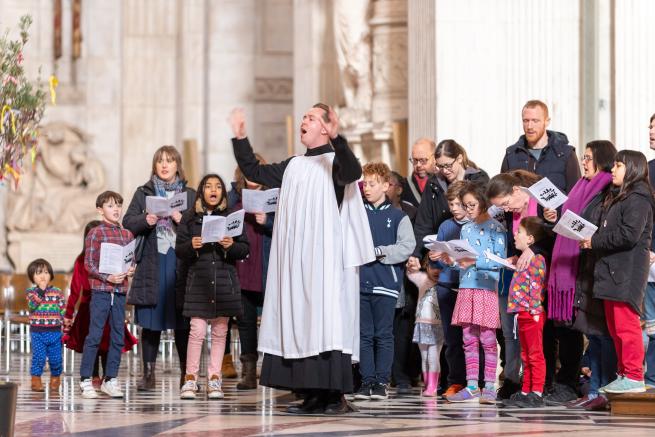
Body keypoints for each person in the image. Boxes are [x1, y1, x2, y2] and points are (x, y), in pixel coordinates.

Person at [230, 104, 374, 415]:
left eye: (311, 117)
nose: (303, 121)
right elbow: (254, 172)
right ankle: (311, 395)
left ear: (325, 128)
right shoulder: (293, 165)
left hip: (327, 262)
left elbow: (353, 172)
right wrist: (240, 138)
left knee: (326, 323)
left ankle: (334, 396)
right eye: (304, 117)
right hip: (297, 261)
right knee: (302, 321)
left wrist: (340, 139)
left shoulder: (335, 162)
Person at [541, 140, 617, 409]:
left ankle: (603, 389)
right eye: (583, 157)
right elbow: (572, 217)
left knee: (600, 332)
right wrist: (555, 218)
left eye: (588, 157)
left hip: (595, 267)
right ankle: (595, 390)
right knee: (592, 332)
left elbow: (603, 224)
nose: (583, 162)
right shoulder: (581, 186)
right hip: (579, 266)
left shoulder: (607, 188)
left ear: (602, 160)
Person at [580, 150, 655, 394]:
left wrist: (595, 241)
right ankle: (624, 373)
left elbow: (629, 235)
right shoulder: (619, 197)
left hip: (626, 272)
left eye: (619, 165)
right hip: (611, 270)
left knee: (626, 326)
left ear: (632, 169)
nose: (613, 170)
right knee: (615, 328)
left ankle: (633, 376)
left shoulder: (639, 198)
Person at [123, 146, 196, 391]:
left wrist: (181, 219)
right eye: (160, 161)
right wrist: (147, 219)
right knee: (151, 321)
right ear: (155, 166)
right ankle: (148, 374)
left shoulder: (190, 193)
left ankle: (187, 374)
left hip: (180, 262)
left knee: (182, 323)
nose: (164, 165)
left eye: (170, 161)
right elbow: (128, 222)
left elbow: (200, 226)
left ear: (178, 165)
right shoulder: (143, 192)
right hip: (153, 262)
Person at [176, 174, 250, 400]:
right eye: (208, 186)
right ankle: (190, 379)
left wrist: (230, 245)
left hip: (223, 282)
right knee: (196, 331)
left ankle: (214, 379)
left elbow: (244, 249)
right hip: (198, 281)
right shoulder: (190, 218)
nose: (213, 190)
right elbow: (179, 250)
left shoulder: (231, 218)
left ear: (222, 194)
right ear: (201, 192)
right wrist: (192, 245)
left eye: (218, 186)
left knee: (220, 332)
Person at [486, 169, 553, 399]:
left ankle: (539, 388)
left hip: (539, 292)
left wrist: (534, 250)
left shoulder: (541, 202)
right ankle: (523, 386)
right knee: (524, 348)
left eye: (505, 203)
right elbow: (519, 244)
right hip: (522, 290)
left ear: (516, 191)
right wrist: (516, 256)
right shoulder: (512, 212)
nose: (505, 210)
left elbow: (550, 238)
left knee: (537, 349)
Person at [439, 182, 506, 404]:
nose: (467, 209)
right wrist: (452, 260)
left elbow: (499, 262)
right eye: (465, 205)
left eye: (471, 205)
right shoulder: (465, 228)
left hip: (486, 289)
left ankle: (488, 386)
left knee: (487, 338)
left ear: (483, 202)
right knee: (468, 338)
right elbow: (463, 263)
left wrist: (476, 259)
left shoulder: (497, 228)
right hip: (466, 288)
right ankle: (471, 386)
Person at [354, 163, 415, 401]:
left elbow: (406, 247)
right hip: (360, 282)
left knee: (384, 334)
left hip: (386, 284)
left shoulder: (398, 216)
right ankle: (366, 380)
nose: (366, 188)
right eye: (364, 184)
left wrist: (378, 251)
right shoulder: (358, 214)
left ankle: (381, 381)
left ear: (386, 185)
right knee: (364, 335)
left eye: (372, 184)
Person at [63, 220, 137, 386]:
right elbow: (75, 288)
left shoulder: (112, 258)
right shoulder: (82, 260)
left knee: (109, 337)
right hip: (88, 305)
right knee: (93, 339)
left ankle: (107, 375)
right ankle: (93, 373)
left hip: (110, 299)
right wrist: (68, 313)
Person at [79, 191, 135, 399]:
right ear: (100, 210)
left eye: (119, 205)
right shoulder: (96, 233)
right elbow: (89, 264)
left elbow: (132, 259)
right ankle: (86, 379)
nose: (116, 209)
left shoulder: (127, 234)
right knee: (94, 335)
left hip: (120, 292)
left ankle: (110, 379)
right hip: (102, 291)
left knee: (118, 337)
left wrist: (131, 269)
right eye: (111, 205)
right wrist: (107, 277)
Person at [227, 158, 274, 390]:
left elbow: (288, 226)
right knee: (245, 322)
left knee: (273, 320)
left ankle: (276, 369)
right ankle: (248, 370)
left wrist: (268, 222)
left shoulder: (276, 197)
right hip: (242, 266)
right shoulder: (233, 197)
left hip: (267, 266)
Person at [409, 139, 489, 273]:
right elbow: (423, 224)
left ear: (459, 158)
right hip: (442, 259)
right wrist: (416, 254)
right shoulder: (433, 184)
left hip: (473, 255)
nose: (444, 171)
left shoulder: (479, 180)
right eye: (440, 166)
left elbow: (485, 216)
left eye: (448, 165)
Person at [428, 181, 469, 398]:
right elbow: (436, 260)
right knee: (452, 340)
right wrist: (434, 258)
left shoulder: (474, 226)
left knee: (471, 338)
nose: (453, 207)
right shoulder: (445, 226)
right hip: (446, 285)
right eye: (450, 203)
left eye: (457, 203)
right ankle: (455, 381)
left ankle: (477, 381)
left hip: (468, 286)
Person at [502, 217, 549, 408]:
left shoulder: (537, 259)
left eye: (519, 232)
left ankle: (536, 391)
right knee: (525, 354)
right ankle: (525, 390)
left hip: (532, 313)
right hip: (523, 313)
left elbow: (536, 286)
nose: (515, 234)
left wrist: (533, 308)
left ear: (530, 239)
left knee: (535, 353)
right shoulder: (523, 259)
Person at [501, 100, 580, 194]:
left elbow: (576, 196)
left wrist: (558, 209)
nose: (529, 126)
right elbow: (503, 193)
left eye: (535, 121)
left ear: (547, 122)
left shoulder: (566, 154)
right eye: (526, 121)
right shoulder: (512, 154)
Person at [386, 170, 420, 395]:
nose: (385, 188)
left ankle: (402, 374)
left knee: (403, 329)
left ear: (399, 188)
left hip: (406, 278)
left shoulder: (410, 211)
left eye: (389, 184)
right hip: (383, 274)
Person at [26, 258, 65, 392]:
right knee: (39, 357)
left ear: (51, 275)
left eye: (46, 272)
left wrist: (66, 321)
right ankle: (36, 379)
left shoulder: (57, 292)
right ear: (32, 277)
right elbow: (32, 305)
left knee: (56, 358)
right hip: (37, 332)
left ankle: (55, 378)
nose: (43, 276)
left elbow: (62, 309)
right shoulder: (31, 292)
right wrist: (41, 291)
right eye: (38, 273)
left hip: (55, 331)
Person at [644, 113, 655, 389]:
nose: (652, 132)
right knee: (652, 327)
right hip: (648, 260)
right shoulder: (647, 169)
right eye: (651, 128)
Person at [402, 138, 436, 208]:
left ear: (434, 158)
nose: (418, 165)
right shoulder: (403, 185)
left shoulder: (444, 184)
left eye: (423, 160)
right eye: (415, 160)